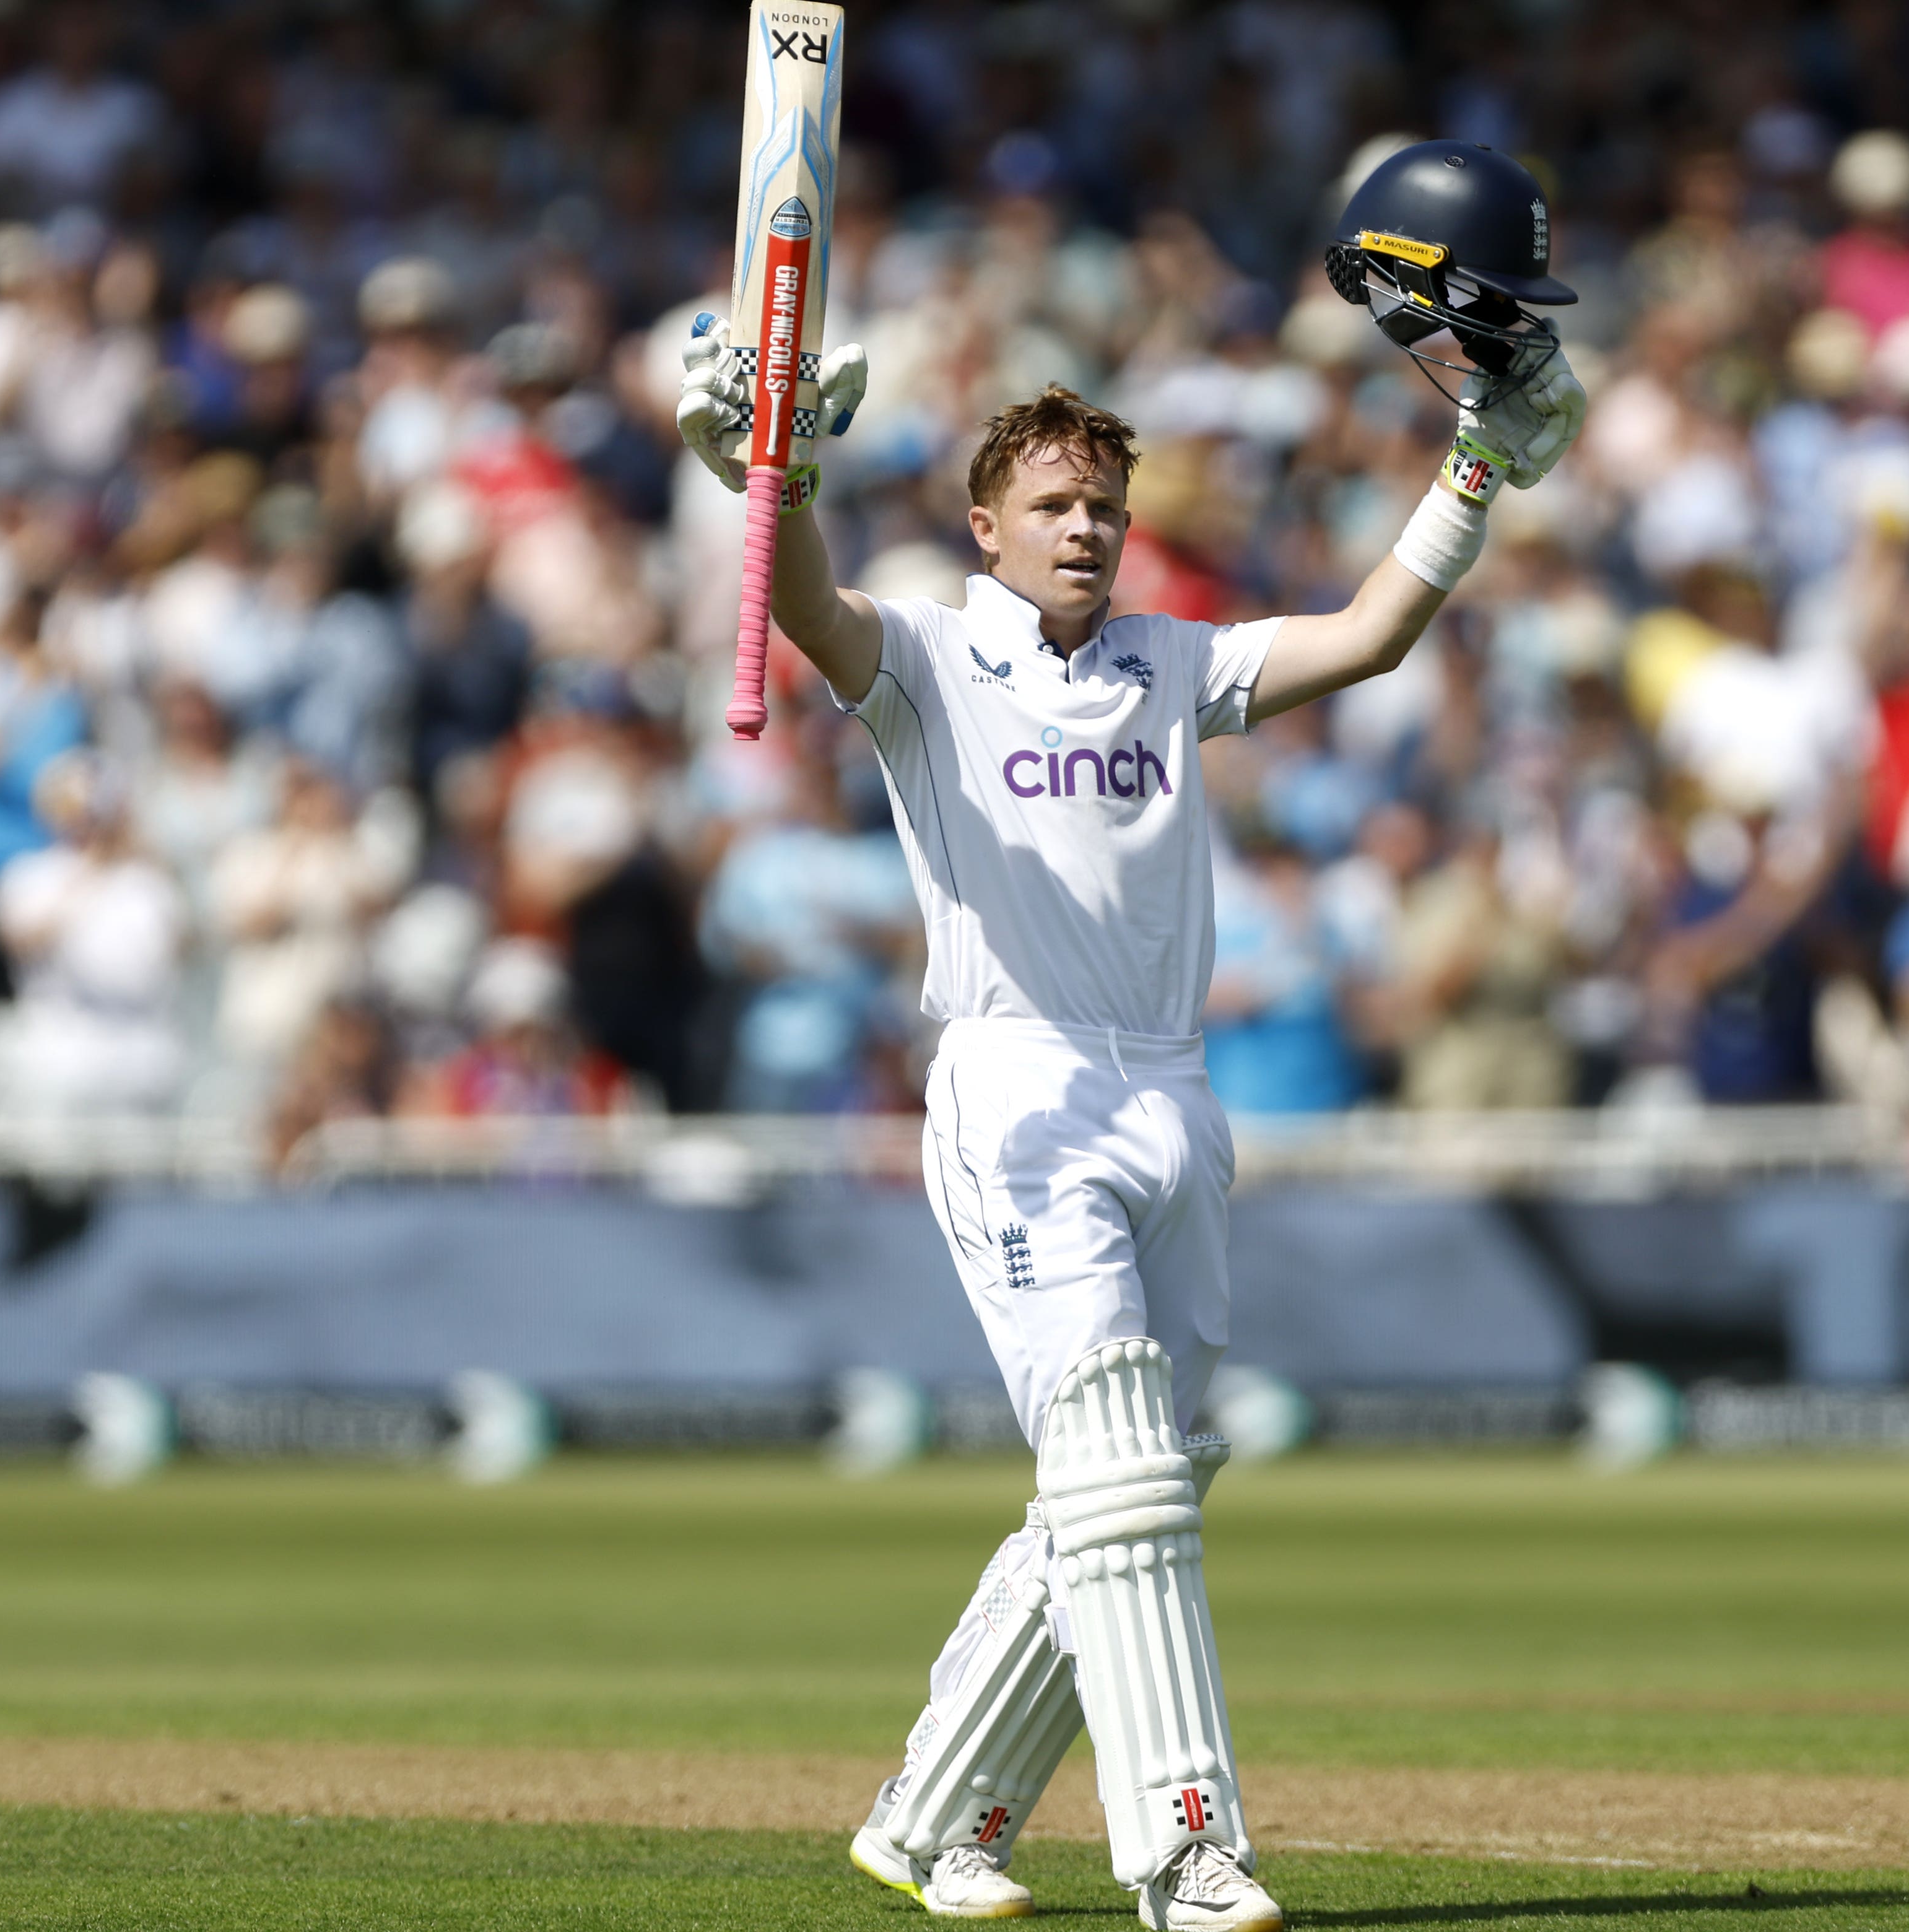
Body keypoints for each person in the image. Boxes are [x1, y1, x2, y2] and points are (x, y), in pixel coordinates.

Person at [679, 140, 1584, 1932]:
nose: (1088, 527)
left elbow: (1379, 636)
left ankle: (935, 1814)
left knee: (1153, 1472)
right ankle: (1184, 1848)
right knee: (1112, 1456)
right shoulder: (934, 664)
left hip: (1172, 1094)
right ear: (988, 527)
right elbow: (807, 612)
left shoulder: (1175, 665)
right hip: (1015, 1088)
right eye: (1054, 505)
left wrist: (1478, 464)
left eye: (1106, 502)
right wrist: (761, 474)